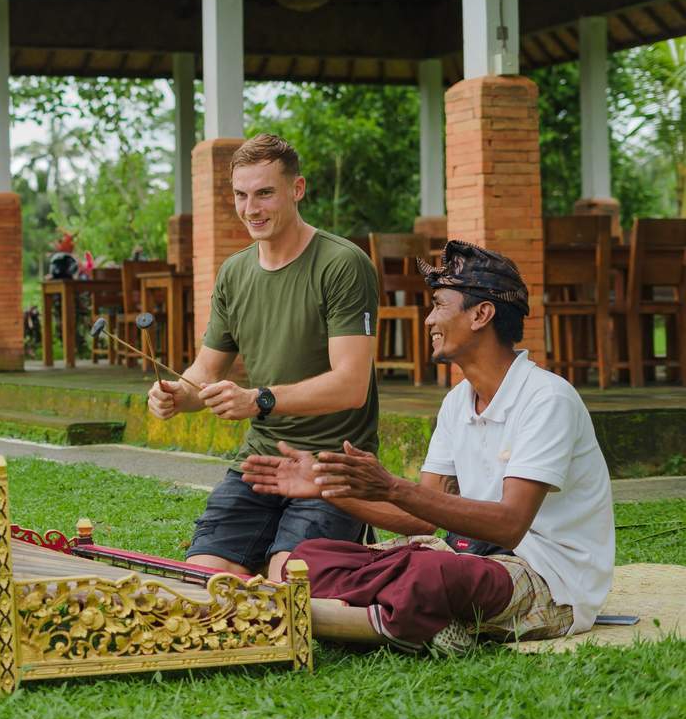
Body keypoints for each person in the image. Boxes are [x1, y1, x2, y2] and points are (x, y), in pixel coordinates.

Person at [243, 241, 614, 653]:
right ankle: (411, 617)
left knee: (427, 572)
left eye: (439, 306)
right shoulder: (458, 401)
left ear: (481, 314)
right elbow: (419, 520)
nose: (428, 320)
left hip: (544, 576)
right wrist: (331, 490)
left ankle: (403, 613)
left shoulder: (547, 399)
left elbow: (510, 525)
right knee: (310, 556)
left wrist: (391, 486)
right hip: (466, 558)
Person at [147, 133, 378, 581]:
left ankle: (345, 545)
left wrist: (259, 400)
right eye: (241, 195)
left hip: (331, 467)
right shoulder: (234, 272)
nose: (251, 209)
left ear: (297, 189)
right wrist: (179, 395)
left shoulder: (342, 264)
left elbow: (352, 385)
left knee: (289, 589)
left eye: (265, 193)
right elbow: (206, 372)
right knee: (205, 582)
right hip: (259, 464)